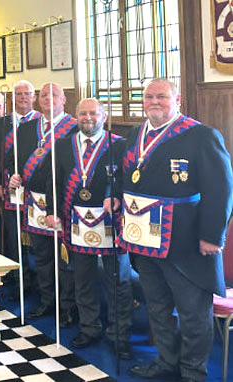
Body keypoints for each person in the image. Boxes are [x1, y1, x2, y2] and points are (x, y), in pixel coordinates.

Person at [122, 78, 233, 382]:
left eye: (161, 96)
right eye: (148, 97)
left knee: (193, 312)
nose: (154, 102)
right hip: (144, 239)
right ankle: (166, 362)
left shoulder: (202, 135)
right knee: (157, 307)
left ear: (177, 99)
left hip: (185, 243)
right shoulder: (135, 134)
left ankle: (193, 371)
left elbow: (221, 189)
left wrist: (212, 236)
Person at [40, 98, 134, 358]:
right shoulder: (62, 145)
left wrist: (115, 194)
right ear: (76, 116)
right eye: (83, 113)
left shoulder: (119, 144)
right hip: (75, 223)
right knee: (82, 280)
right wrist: (52, 211)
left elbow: (128, 180)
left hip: (112, 223)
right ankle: (89, 327)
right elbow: (53, 182)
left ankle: (119, 334)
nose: (88, 117)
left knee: (119, 281)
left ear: (103, 116)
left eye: (93, 113)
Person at [13, 83, 78, 323]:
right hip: (34, 201)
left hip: (62, 201)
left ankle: (67, 308)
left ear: (64, 100)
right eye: (43, 95)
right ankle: (46, 301)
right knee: (41, 256)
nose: (48, 99)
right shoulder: (28, 128)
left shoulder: (73, 128)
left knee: (64, 259)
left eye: (54, 95)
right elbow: (16, 159)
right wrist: (15, 174)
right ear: (38, 100)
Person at [0, 81, 44, 293]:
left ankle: (41, 283)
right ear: (12, 98)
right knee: (14, 239)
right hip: (10, 191)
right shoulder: (2, 123)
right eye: (18, 94)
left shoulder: (42, 122)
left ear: (34, 97)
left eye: (27, 93)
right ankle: (21, 282)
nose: (23, 98)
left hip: (38, 193)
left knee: (39, 240)